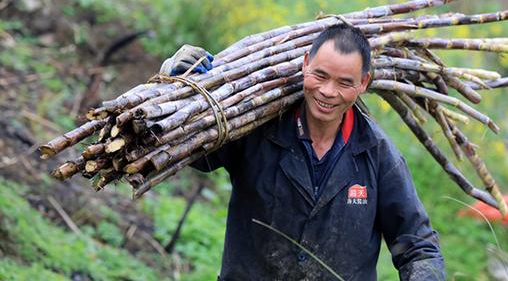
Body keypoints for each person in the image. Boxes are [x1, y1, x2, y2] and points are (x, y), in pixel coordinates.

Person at [161, 24, 445, 280]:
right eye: (320, 75)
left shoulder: (378, 155)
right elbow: (194, 152)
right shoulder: (257, 128)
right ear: (306, 64)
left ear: (363, 83)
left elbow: (418, 246)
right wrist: (175, 84)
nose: (328, 91)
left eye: (345, 83)